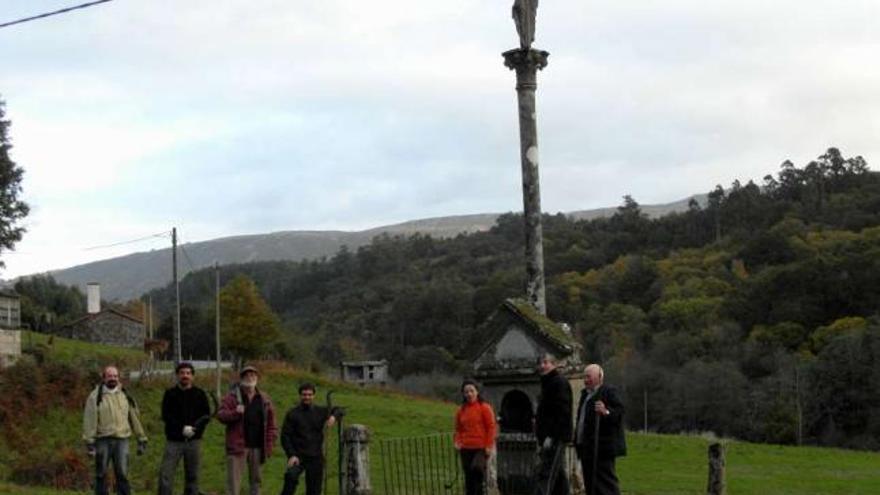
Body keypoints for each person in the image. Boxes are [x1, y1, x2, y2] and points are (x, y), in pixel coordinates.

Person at [82, 365, 148, 495]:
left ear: (118, 378)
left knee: (122, 474)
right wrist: (90, 442)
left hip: (122, 440)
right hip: (103, 440)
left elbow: (133, 417)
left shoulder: (125, 394)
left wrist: (141, 437)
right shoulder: (95, 397)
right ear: (104, 378)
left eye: (115, 376)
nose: (113, 378)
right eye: (110, 376)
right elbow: (90, 419)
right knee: (101, 474)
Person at [217, 365, 278, 495]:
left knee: (256, 482)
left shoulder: (264, 399)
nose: (250, 377)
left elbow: (272, 424)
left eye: (253, 375)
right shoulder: (232, 397)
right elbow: (221, 415)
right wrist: (235, 413)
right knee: (233, 484)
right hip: (238, 446)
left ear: (257, 378)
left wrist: (270, 443)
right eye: (247, 375)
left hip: (258, 446)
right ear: (242, 378)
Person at [158, 362, 212, 495]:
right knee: (166, 474)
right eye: (182, 373)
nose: (185, 376)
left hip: (193, 442)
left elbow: (206, 416)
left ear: (192, 376)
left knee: (192, 476)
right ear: (177, 375)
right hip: (174, 441)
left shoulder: (200, 394)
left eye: (188, 373)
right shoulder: (170, 394)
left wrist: (195, 430)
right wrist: (181, 429)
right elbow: (166, 416)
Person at [573, 364, 626, 495]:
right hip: (587, 448)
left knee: (606, 483)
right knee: (591, 483)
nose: (585, 380)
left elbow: (619, 412)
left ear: (599, 377)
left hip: (602, 448)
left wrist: (605, 411)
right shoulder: (585, 395)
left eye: (589, 377)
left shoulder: (608, 391)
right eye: (584, 377)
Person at [279, 382, 340, 495]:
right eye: (304, 394)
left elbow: (339, 410)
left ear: (314, 396)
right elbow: (285, 437)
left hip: (315, 457)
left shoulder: (320, 411)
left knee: (314, 491)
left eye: (309, 394)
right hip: (298, 456)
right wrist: (291, 455)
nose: (307, 397)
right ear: (300, 396)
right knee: (290, 477)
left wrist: (333, 416)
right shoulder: (292, 414)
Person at [534, 353, 572, 495]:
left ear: (554, 364)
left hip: (555, 437)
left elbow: (562, 412)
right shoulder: (547, 383)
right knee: (557, 475)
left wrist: (551, 435)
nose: (542, 366)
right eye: (540, 363)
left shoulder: (558, 383)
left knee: (547, 474)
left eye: (546, 362)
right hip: (548, 437)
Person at [453, 379, 497, 495]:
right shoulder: (461, 410)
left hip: (481, 448)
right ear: (463, 394)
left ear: (477, 392)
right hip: (466, 447)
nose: (469, 394)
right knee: (468, 476)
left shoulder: (485, 407)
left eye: (471, 391)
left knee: (477, 470)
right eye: (466, 392)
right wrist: (457, 442)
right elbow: (458, 429)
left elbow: (491, 427)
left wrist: (488, 446)